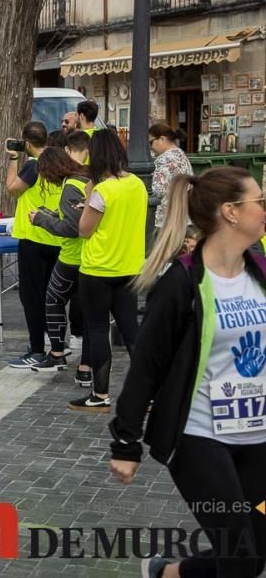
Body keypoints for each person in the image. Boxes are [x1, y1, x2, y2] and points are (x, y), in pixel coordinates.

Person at [111, 166, 266, 578]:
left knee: (255, 553)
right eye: (260, 201)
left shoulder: (261, 271)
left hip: (259, 438)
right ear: (231, 212)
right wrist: (126, 443)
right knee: (240, 559)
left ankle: (167, 573)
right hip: (202, 439)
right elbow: (148, 364)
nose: (265, 209)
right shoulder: (181, 282)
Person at [70, 127, 147, 412]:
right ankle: (149, 393)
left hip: (98, 269)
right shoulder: (138, 184)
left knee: (99, 330)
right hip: (129, 266)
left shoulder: (102, 191)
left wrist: (89, 196)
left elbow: (84, 230)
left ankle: (100, 394)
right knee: (131, 331)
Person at [25, 145, 90, 375]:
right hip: (89, 257)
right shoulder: (84, 178)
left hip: (73, 256)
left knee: (53, 301)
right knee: (91, 312)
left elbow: (72, 228)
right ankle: (86, 365)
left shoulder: (70, 187)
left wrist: (41, 220)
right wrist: (52, 214)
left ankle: (57, 353)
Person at [7, 121, 64, 369]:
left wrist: (11, 160)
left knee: (32, 297)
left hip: (33, 238)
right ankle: (58, 345)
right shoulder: (59, 163)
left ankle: (38, 349)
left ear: (27, 143)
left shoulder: (32, 166)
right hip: (57, 237)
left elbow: (12, 189)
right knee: (54, 297)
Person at [149, 122, 193, 231]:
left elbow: (157, 191)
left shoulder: (164, 160)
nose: (151, 147)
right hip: (182, 217)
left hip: (165, 221)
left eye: (151, 142)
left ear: (162, 139)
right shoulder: (181, 156)